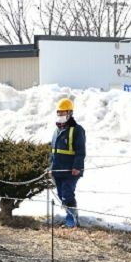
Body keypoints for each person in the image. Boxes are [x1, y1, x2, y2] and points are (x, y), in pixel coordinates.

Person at [49, 97, 86, 228]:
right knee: (61, 194)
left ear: (70, 113)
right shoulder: (56, 130)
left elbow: (80, 151)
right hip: (58, 170)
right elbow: (53, 150)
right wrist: (50, 167)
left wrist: (77, 167)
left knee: (67, 193)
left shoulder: (76, 130)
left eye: (63, 113)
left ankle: (72, 219)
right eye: (59, 113)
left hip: (71, 171)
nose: (60, 115)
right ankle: (70, 215)